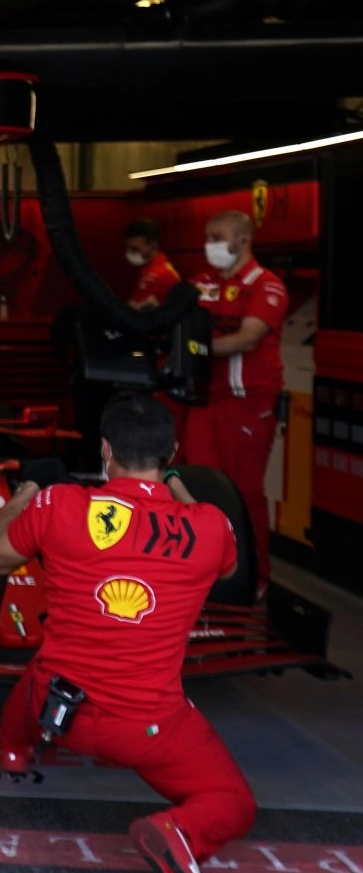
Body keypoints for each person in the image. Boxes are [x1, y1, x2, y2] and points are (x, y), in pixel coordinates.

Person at [0, 393, 252, 873]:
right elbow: (228, 565)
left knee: (44, 664)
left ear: (105, 450)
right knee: (235, 803)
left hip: (58, 708)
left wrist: (28, 490)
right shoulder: (211, 527)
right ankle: (177, 830)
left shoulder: (59, 505)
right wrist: (174, 481)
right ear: (172, 452)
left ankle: (13, 752)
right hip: (148, 730)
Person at [184, 210, 288, 594]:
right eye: (207, 237)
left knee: (243, 490)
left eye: (217, 237)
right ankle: (206, 570)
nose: (209, 244)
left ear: (243, 239)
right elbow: (173, 318)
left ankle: (255, 577)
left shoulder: (267, 285)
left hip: (249, 403)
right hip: (205, 399)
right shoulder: (202, 283)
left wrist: (194, 349)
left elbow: (247, 338)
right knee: (197, 486)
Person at [125, 218, 182, 310]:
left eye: (134, 249)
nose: (129, 253)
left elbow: (131, 311)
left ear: (153, 246)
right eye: (127, 248)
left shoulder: (155, 276)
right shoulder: (162, 267)